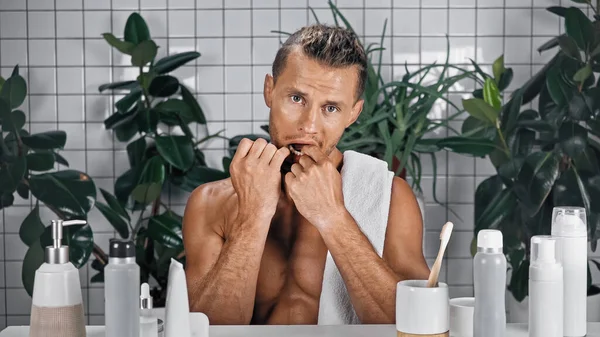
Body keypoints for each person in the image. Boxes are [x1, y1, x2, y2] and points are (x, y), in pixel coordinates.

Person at [182, 23, 430, 326]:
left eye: (330, 108)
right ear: (270, 91)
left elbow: (418, 322)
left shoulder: (391, 198)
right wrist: (253, 216)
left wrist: (334, 218)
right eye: (297, 99)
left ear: (353, 113)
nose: (309, 125)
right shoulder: (211, 203)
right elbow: (204, 329)